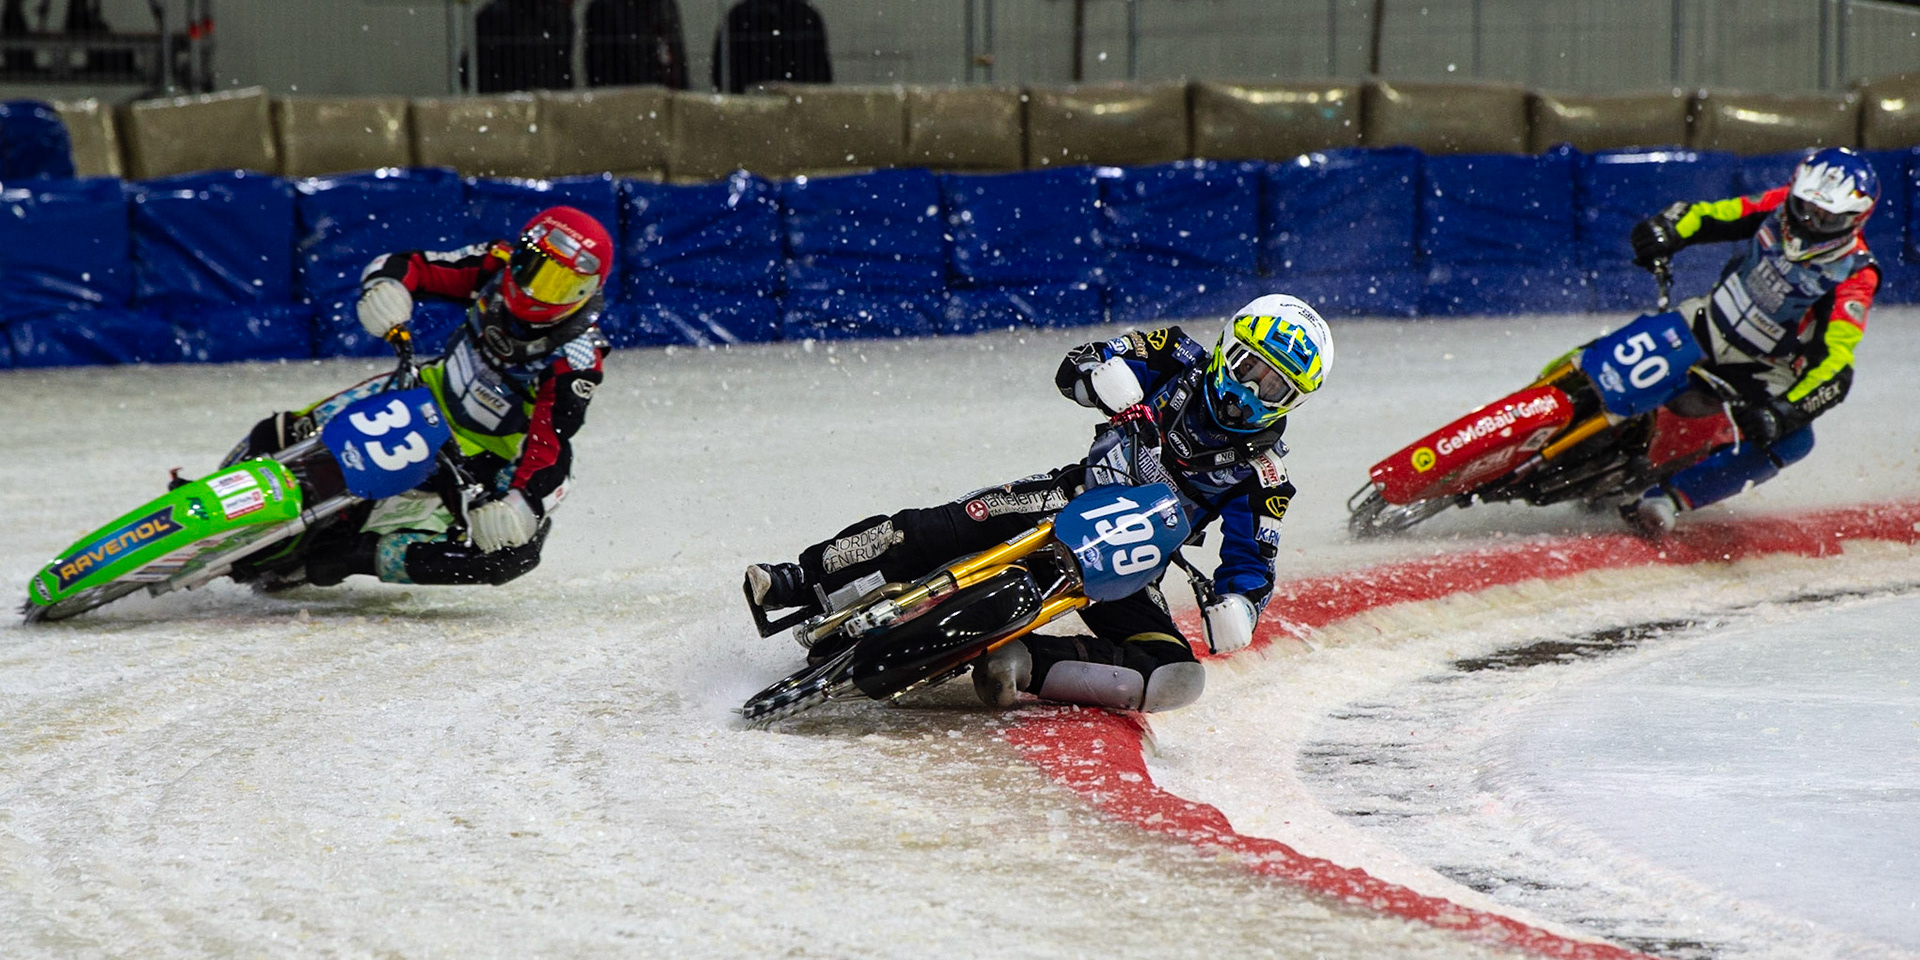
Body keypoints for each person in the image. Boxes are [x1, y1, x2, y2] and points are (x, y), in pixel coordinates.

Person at [744, 294, 1332, 713]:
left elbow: (1253, 559)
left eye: (1275, 387)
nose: (1252, 393)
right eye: (1253, 369)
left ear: (1295, 402)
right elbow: (1078, 362)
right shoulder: (1176, 353)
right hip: (1069, 494)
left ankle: (1025, 662)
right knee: (937, 526)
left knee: (1176, 676)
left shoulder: (1266, 477)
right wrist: (1102, 375)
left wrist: (1242, 603)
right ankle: (802, 576)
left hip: (1132, 565)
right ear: (1232, 349)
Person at [224, 205, 613, 590]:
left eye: (561, 286)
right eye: (534, 270)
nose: (537, 292)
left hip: (487, 455)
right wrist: (386, 288)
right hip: (422, 392)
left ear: (587, 293)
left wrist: (522, 505)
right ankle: (217, 484)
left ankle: (356, 554)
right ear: (520, 254)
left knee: (509, 555)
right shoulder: (493, 263)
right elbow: (409, 264)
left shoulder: (577, 359)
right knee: (287, 432)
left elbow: (552, 441)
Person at [1623, 146, 1881, 535]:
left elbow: (1835, 363)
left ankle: (1668, 500)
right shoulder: (1778, 206)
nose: (1810, 222)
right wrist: (1668, 228)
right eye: (1806, 208)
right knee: (1628, 339)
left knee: (1794, 442)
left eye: (1827, 217)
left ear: (1854, 220)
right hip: (1706, 321)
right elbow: (1709, 215)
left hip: (1763, 368)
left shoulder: (1856, 274)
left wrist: (1784, 411)